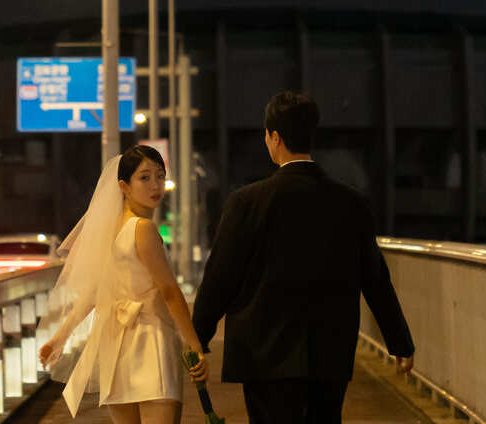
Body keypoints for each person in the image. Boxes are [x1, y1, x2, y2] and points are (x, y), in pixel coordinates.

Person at [192, 91, 415, 424]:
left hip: (264, 354)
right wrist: (399, 341)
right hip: (329, 351)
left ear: (275, 138)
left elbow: (220, 278)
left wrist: (198, 336)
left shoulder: (247, 202)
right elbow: (375, 278)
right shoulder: (350, 202)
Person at [40, 144, 208, 421]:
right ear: (124, 186)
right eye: (144, 177)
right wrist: (194, 344)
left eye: (160, 176)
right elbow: (169, 291)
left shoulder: (111, 229)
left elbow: (94, 292)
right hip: (151, 341)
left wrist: (60, 338)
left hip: (114, 349)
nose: (155, 185)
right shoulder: (143, 228)